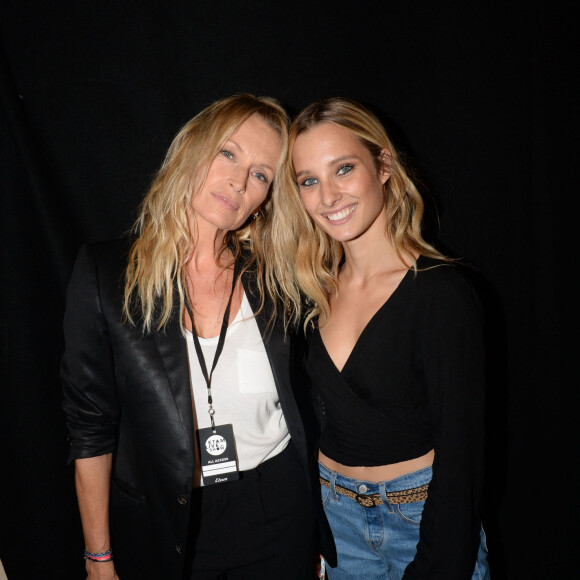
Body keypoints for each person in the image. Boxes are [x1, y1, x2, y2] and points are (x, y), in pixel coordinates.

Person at [61, 94, 334, 580]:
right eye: (228, 153)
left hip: (278, 511)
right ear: (192, 149)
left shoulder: (277, 278)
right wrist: (98, 557)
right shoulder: (107, 274)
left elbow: (312, 400)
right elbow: (91, 430)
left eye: (261, 175)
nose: (238, 180)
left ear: (266, 200)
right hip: (165, 522)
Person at [273, 97, 490, 579]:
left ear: (384, 165)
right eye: (309, 181)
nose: (328, 197)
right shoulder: (312, 289)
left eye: (343, 169)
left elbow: (462, 460)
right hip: (337, 524)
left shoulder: (441, 293)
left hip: (420, 524)